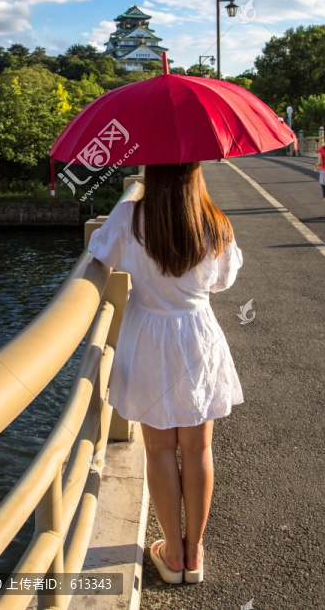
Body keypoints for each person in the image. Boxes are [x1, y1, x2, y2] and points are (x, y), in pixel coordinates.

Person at [87, 163, 243, 585]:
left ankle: (170, 553)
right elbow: (224, 279)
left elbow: (99, 252)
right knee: (197, 448)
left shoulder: (131, 217)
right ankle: (194, 553)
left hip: (149, 335)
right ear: (195, 171)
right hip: (197, 333)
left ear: (151, 172)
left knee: (158, 449)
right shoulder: (213, 220)